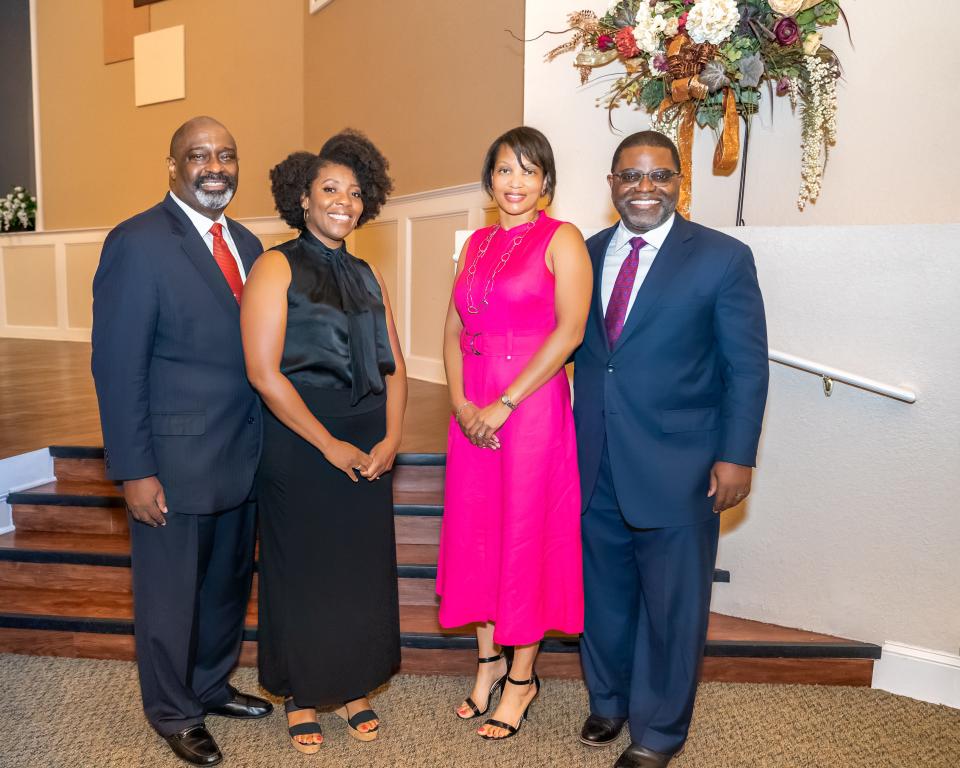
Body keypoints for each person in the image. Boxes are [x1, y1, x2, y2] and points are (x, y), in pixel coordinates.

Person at [573, 131, 769, 768]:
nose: (644, 188)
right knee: (602, 592)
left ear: (679, 183)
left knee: (672, 605)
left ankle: (658, 733)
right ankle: (609, 700)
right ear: (611, 186)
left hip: (682, 464)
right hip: (593, 455)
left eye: (659, 176)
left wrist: (738, 455)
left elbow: (747, 368)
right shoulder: (585, 253)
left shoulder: (722, 258)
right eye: (631, 176)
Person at [91, 116, 271, 767]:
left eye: (226, 154)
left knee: (225, 588)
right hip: (171, 462)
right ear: (173, 166)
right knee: (170, 598)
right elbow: (117, 364)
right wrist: (135, 468)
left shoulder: (249, 243)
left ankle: (210, 684)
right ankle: (173, 709)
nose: (214, 166)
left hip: (241, 456)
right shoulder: (137, 243)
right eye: (199, 156)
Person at [240, 130, 406, 754]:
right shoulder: (276, 265)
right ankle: (304, 693)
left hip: (369, 437)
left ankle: (356, 683)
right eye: (330, 189)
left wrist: (391, 436)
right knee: (303, 569)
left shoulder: (368, 273)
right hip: (301, 437)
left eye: (355, 192)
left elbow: (396, 366)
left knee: (359, 568)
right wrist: (327, 444)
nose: (344, 202)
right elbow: (263, 372)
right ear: (302, 198)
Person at [436, 126, 592, 740]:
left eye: (529, 171)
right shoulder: (474, 243)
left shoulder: (563, 239)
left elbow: (570, 331)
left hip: (528, 406)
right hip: (472, 406)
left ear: (546, 182)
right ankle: (487, 663)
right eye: (505, 170)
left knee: (525, 532)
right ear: (490, 179)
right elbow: (451, 328)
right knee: (478, 529)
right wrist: (460, 402)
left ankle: (523, 679)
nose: (516, 183)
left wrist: (503, 402)